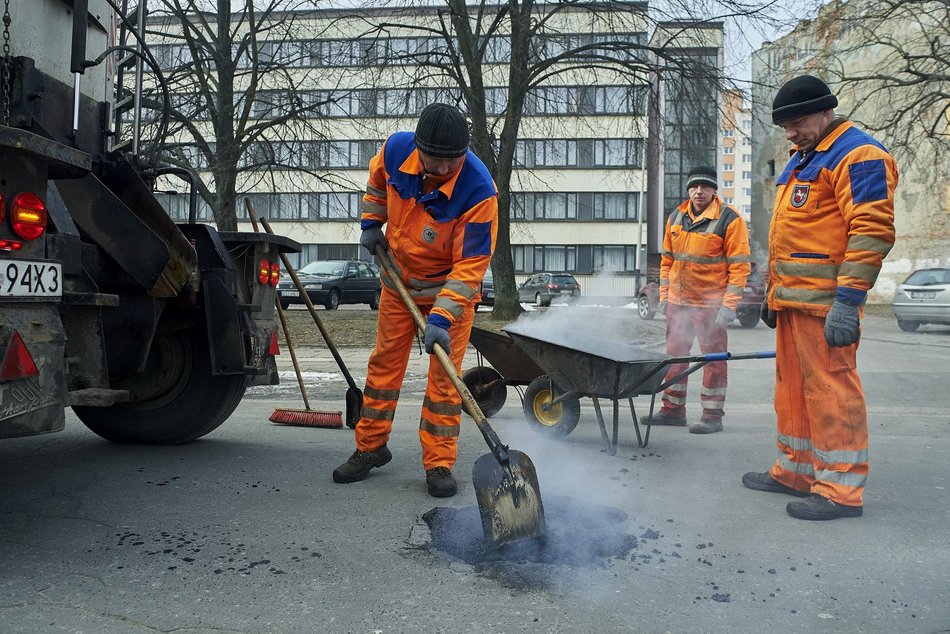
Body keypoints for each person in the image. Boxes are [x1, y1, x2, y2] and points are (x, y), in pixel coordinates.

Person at [742, 75, 897, 520]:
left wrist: (848, 301)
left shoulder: (859, 155)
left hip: (828, 305)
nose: (789, 133)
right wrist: (773, 294)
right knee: (792, 391)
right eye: (785, 125)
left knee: (832, 392)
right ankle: (795, 470)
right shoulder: (803, 159)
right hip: (795, 302)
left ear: (826, 111)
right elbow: (790, 235)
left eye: (797, 122)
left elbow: (871, 231)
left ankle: (839, 491)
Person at [331, 103, 498, 498]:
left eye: (450, 163)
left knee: (444, 382)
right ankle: (370, 448)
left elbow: (470, 267)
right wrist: (371, 223)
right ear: (419, 149)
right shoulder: (394, 151)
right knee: (384, 366)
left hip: (448, 297)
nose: (441, 170)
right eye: (434, 161)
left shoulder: (478, 192)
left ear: (464, 154)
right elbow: (376, 182)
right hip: (397, 283)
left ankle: (438, 463)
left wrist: (441, 318)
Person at [641, 166, 752, 434]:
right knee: (674, 358)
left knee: (712, 360)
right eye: (694, 187)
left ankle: (712, 416)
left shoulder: (730, 219)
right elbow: (667, 262)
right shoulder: (676, 217)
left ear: (714, 190)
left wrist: (728, 306)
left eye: (704, 186)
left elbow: (740, 267)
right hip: (679, 304)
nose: (699, 191)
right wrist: (665, 298)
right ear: (688, 189)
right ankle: (672, 410)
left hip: (710, 307)